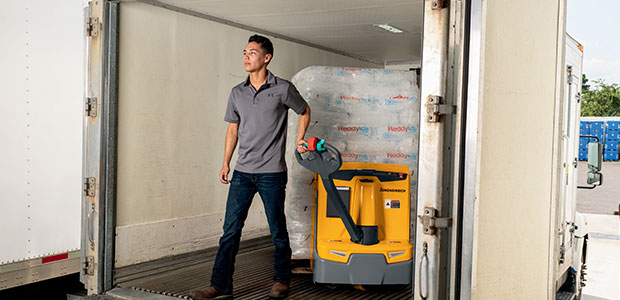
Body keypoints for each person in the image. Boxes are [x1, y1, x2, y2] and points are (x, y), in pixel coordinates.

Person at [190, 34, 310, 300]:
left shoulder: (282, 88)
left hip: (272, 173)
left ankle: (281, 280)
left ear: (266, 58)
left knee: (277, 230)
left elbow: (304, 110)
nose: (246, 56)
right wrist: (225, 162)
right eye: (244, 52)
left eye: (252, 52)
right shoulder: (237, 92)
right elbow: (232, 130)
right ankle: (219, 285)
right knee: (230, 230)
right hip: (242, 172)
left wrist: (300, 138)